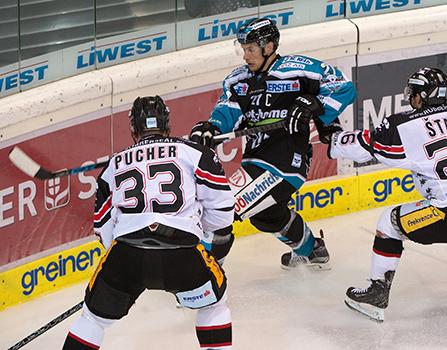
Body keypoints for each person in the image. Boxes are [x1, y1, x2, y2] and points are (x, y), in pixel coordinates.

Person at [62, 96, 235, 349]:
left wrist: (131, 263)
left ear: (133, 129)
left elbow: (103, 229)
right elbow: (222, 214)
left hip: (127, 255)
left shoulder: (113, 165)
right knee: (213, 305)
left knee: (93, 319)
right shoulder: (196, 153)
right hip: (182, 254)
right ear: (167, 125)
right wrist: (195, 228)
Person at [189, 18, 356, 270]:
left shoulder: (299, 68)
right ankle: (312, 251)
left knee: (221, 209)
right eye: (243, 49)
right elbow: (228, 109)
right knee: (266, 216)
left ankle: (203, 278)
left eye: (251, 49)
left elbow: (344, 88)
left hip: (286, 162)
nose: (245, 56)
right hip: (255, 161)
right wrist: (212, 126)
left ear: (269, 47)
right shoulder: (238, 80)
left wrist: (315, 105)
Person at [327, 67, 447, 322]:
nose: (411, 99)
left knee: (390, 223)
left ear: (420, 96)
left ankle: (377, 292)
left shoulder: (405, 125)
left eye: (413, 94)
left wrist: (334, 137)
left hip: (443, 214)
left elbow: (363, 147)